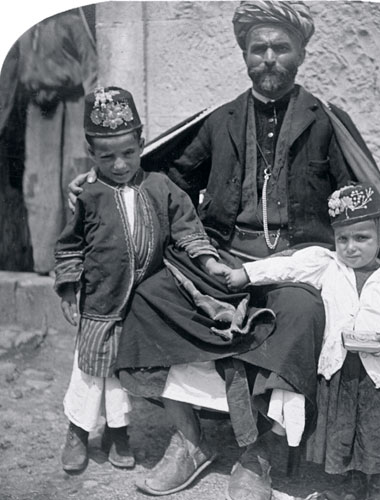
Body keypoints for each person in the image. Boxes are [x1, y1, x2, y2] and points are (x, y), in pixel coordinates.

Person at [68, 2, 380, 499]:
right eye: (259, 48)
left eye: (281, 47)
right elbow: (163, 175)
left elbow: (368, 191)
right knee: (148, 296)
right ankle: (191, 440)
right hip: (223, 258)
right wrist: (101, 181)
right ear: (244, 53)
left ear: (300, 54)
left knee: (300, 316)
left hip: (295, 266)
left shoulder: (325, 120)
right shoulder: (221, 120)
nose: (269, 58)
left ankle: (259, 453)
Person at [54, 86, 229, 473]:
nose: (119, 164)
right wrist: (69, 287)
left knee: (121, 373)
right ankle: (78, 433)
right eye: (107, 156)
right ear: (91, 154)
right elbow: (70, 246)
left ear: (142, 143)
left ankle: (119, 434)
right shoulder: (89, 195)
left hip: (142, 302)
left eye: (128, 153)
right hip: (100, 301)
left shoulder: (159, 186)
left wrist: (207, 259)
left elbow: (186, 225)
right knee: (89, 370)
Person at [225, 182, 380, 500]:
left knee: (373, 431)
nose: (351, 247)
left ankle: (378, 487)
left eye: (362, 238)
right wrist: (247, 274)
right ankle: (352, 483)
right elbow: (289, 266)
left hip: (377, 376)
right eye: (343, 238)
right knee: (344, 430)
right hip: (341, 372)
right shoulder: (327, 265)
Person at [18, 8, 97, 275]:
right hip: (39, 111)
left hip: (72, 106)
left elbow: (91, 69)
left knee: (73, 178)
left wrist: (92, 116)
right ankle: (46, 260)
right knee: (40, 185)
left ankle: (73, 260)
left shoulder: (71, 22)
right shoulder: (25, 26)